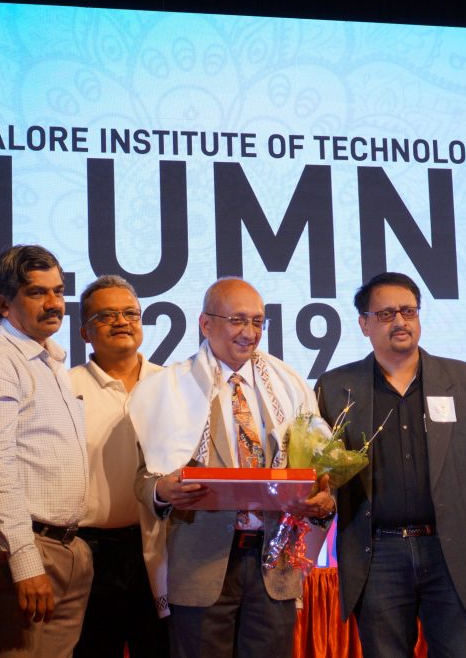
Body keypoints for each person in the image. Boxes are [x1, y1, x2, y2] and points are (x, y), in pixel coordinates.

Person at [130, 277, 334, 658]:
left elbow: (318, 467)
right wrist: (162, 491)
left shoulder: (290, 385)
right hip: (199, 563)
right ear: (205, 324)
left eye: (257, 321)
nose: (250, 332)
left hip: (274, 564)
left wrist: (323, 497)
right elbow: (144, 478)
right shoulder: (169, 387)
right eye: (237, 320)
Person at [314, 271, 466, 658]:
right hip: (377, 556)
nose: (400, 322)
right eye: (386, 314)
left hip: (452, 553)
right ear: (364, 324)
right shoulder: (335, 388)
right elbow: (324, 476)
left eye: (408, 311)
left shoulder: (465, 381)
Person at [0, 244, 92, 657]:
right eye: (37, 292)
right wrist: (24, 559)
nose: (54, 303)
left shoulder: (48, 360)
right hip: (21, 551)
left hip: (64, 548)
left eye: (58, 291)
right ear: (3, 303)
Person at [68, 275, 169, 657]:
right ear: (85, 332)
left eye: (130, 313)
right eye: (107, 316)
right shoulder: (65, 387)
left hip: (162, 547)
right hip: (90, 550)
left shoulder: (171, 385)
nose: (122, 322)